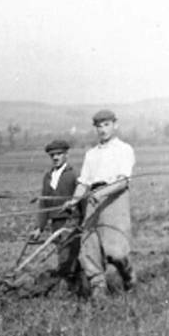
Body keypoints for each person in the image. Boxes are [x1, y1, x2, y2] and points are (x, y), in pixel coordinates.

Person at [62, 109, 135, 299]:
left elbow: (123, 182)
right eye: (99, 126)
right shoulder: (91, 154)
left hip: (115, 199)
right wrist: (74, 200)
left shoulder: (124, 149)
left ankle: (128, 276)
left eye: (106, 125)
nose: (102, 129)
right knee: (89, 244)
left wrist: (101, 193)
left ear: (115, 125)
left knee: (117, 251)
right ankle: (98, 288)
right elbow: (84, 182)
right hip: (93, 199)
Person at [28, 139, 83, 295]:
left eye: (59, 154)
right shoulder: (48, 176)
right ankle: (74, 287)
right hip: (56, 223)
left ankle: (72, 288)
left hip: (72, 221)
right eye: (52, 155)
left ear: (66, 154)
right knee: (63, 253)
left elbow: (83, 198)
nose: (55, 157)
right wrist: (39, 228)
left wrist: (81, 220)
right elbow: (44, 204)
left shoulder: (74, 174)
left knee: (67, 255)